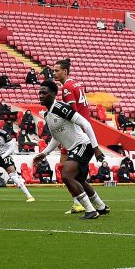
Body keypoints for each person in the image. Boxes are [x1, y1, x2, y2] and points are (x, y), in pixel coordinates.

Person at [33, 80, 108, 220]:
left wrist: (96, 147)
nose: (41, 95)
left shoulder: (61, 107)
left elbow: (85, 123)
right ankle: (101, 206)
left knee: (67, 176)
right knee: (79, 180)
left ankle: (90, 210)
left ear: (54, 94)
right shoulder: (47, 114)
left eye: (44, 93)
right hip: (76, 148)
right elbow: (56, 138)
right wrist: (44, 153)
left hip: (83, 145)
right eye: (40, 93)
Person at [55, 58, 90, 214]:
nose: (54, 73)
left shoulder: (67, 87)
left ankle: (78, 202)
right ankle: (82, 201)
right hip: (83, 129)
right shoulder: (76, 84)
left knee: (66, 169)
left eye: (57, 70)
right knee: (76, 169)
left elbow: (72, 112)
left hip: (75, 132)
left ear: (65, 71)